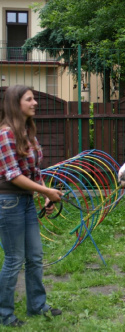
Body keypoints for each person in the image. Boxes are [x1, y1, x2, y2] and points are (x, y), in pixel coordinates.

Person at [0, 85, 63, 327]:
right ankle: (5, 314)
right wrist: (46, 191)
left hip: (26, 201)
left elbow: (35, 171)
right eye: (29, 99)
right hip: (8, 202)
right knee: (14, 259)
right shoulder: (6, 134)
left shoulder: (28, 132)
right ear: (16, 104)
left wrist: (44, 195)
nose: (35, 102)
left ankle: (37, 306)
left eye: (34, 98)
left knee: (35, 257)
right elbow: (13, 175)